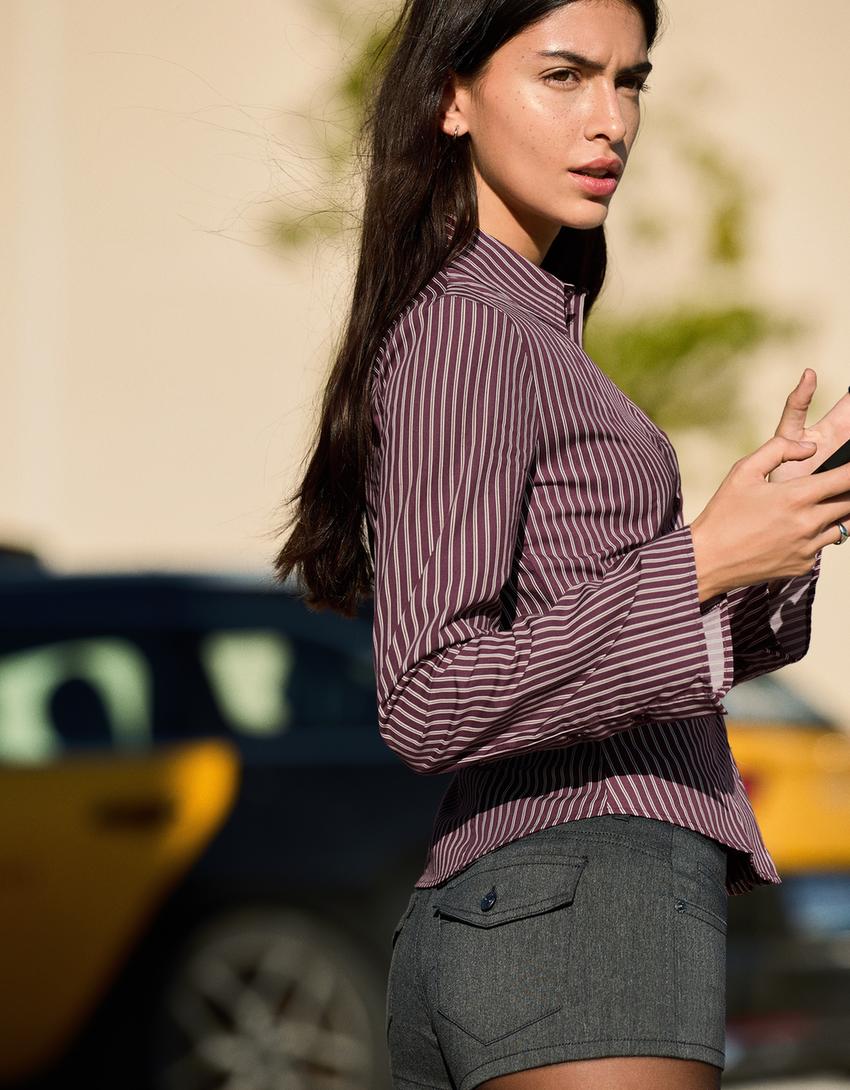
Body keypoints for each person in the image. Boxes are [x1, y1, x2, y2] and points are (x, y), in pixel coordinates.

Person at [272, 0, 850, 1086]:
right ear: (452, 97)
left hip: (539, 906)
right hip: (584, 904)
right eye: (565, 75)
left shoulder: (525, 327)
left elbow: (595, 637)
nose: (611, 121)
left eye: (630, 81)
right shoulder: (469, 327)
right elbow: (430, 694)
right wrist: (705, 557)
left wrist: (779, 530)